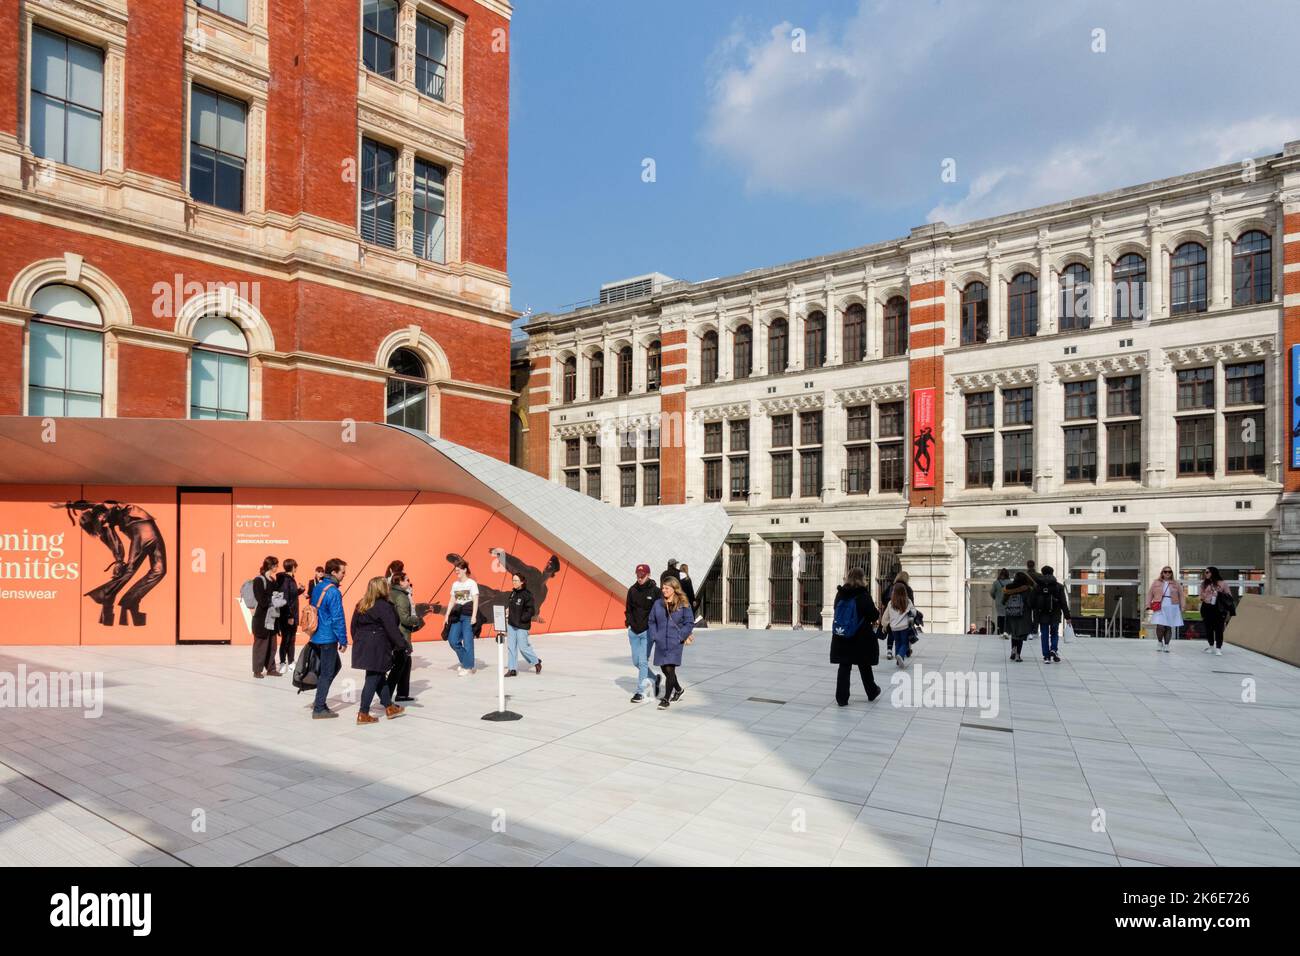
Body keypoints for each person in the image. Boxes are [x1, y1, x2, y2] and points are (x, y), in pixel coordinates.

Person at [349, 576, 407, 724]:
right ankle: (363, 713)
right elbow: (392, 628)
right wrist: (402, 645)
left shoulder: (361, 604)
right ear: (382, 589)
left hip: (363, 643)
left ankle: (389, 707)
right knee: (373, 678)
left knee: (379, 676)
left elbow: (353, 626)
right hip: (377, 645)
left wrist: (359, 641)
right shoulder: (383, 606)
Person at [830, 568, 881, 706]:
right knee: (864, 665)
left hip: (842, 635)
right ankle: (872, 691)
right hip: (860, 637)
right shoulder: (863, 595)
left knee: (844, 666)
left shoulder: (840, 594)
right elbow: (873, 615)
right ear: (862, 578)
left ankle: (841, 698)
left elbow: (836, 609)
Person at [310, 558, 348, 718]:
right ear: (334, 572)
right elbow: (338, 617)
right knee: (327, 672)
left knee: (332, 667)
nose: (344, 575)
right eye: (342, 572)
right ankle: (319, 707)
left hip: (317, 635)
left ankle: (319, 699)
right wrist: (343, 640)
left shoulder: (319, 586)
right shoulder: (333, 591)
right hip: (328, 637)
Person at [649, 577, 694, 710]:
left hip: (675, 642)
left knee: (670, 668)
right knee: (664, 668)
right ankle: (679, 690)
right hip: (661, 641)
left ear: (674, 589)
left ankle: (666, 698)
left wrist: (680, 636)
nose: (663, 591)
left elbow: (689, 622)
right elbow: (651, 621)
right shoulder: (658, 604)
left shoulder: (683, 603)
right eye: (663, 588)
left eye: (666, 588)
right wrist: (654, 635)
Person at [625, 564, 662, 703]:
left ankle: (640, 692)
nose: (640, 578)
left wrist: (656, 629)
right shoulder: (632, 590)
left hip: (647, 632)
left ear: (648, 575)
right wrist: (628, 622)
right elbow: (628, 609)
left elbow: (659, 612)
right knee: (636, 662)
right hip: (633, 632)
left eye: (642, 575)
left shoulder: (656, 591)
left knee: (642, 661)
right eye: (638, 575)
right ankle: (654, 678)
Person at [386, 569, 423, 702]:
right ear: (400, 582)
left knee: (406, 663)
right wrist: (417, 619)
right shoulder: (401, 596)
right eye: (407, 579)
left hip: (394, 633)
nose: (409, 581)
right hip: (402, 634)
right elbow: (405, 619)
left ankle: (402, 693)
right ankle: (387, 696)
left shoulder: (391, 593)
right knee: (399, 665)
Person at [1032, 565, 1072, 663]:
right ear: (1052, 573)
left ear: (1042, 573)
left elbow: (1032, 602)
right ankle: (1053, 649)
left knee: (1044, 634)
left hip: (1042, 615)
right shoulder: (1059, 586)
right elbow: (1063, 603)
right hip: (1055, 614)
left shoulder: (1037, 587)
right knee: (1054, 633)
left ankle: (1046, 656)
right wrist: (1068, 617)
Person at [505, 572, 542, 677]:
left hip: (522, 625)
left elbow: (531, 611)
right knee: (511, 647)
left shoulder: (527, 595)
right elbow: (512, 606)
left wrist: (522, 618)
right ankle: (512, 669)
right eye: (513, 580)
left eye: (516, 580)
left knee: (523, 647)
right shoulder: (513, 593)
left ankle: (536, 661)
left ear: (522, 582)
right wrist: (508, 610)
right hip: (511, 624)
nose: (514, 582)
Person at [445, 560, 478, 675]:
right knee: (453, 640)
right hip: (457, 615)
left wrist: (474, 616)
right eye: (455, 570)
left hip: (468, 615)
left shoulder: (471, 583)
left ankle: (468, 667)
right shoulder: (455, 584)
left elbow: (475, 600)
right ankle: (467, 662)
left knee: (468, 642)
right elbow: (452, 600)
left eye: (459, 569)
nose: (456, 571)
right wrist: (447, 614)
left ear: (465, 569)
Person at [251, 556, 282, 678]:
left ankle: (271, 668)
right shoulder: (259, 580)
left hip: (273, 617)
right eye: (276, 565)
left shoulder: (273, 581)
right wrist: (274, 599)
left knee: (272, 645)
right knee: (260, 645)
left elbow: (277, 597)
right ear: (271, 566)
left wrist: (277, 599)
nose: (277, 568)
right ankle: (257, 670)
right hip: (262, 618)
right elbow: (262, 600)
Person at [1147, 565, 1186, 653]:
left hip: (1172, 606)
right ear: (1162, 573)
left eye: (1169, 572)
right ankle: (1160, 642)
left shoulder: (1176, 583)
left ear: (1171, 573)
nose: (1167, 573)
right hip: (1159, 605)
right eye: (1165, 571)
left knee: (1168, 626)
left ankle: (1167, 645)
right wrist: (1147, 604)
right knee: (1160, 626)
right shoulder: (1156, 582)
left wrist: (1183, 606)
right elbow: (1150, 594)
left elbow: (1181, 596)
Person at [880, 582, 919, 668]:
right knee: (904, 643)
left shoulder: (891, 603)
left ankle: (898, 661)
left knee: (897, 643)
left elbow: (886, 615)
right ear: (904, 592)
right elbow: (914, 611)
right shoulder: (907, 601)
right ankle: (900, 656)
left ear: (894, 592)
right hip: (904, 627)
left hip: (894, 628)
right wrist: (910, 613)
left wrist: (884, 625)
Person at [275, 558, 305, 670]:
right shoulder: (285, 580)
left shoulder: (291, 579)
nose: (296, 568)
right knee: (286, 639)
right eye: (296, 566)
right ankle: (283, 662)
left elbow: (292, 595)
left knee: (291, 639)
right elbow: (285, 599)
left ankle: (291, 661)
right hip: (287, 616)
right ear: (293, 567)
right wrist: (290, 616)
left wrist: (300, 590)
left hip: (292, 614)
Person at [882, 570, 915, 661]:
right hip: (904, 624)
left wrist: (884, 623)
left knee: (896, 641)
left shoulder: (891, 589)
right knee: (904, 642)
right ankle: (901, 654)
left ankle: (892, 653)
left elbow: (883, 596)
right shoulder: (908, 595)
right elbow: (913, 608)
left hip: (893, 622)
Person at [1199, 566, 1231, 656]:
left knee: (1219, 628)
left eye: (1207, 572)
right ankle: (1211, 646)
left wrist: (1219, 594)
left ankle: (1218, 648)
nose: (1206, 574)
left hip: (1219, 607)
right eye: (1205, 572)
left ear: (1213, 572)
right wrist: (1205, 596)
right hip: (1207, 606)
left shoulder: (1223, 583)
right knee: (1208, 628)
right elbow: (1200, 596)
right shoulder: (1204, 584)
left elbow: (1229, 596)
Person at [1003, 571, 1035, 662]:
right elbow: (1030, 603)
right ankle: (1018, 655)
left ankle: (1013, 650)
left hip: (1011, 614)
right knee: (1020, 635)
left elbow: (1003, 601)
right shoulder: (1027, 589)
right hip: (1023, 614)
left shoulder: (1008, 588)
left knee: (1014, 633)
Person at [990, 568, 1010, 639]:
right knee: (1007, 617)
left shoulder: (996, 582)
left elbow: (992, 592)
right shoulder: (1010, 582)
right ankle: (1006, 631)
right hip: (1008, 602)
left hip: (999, 602)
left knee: (1000, 616)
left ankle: (1000, 632)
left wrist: (996, 598)